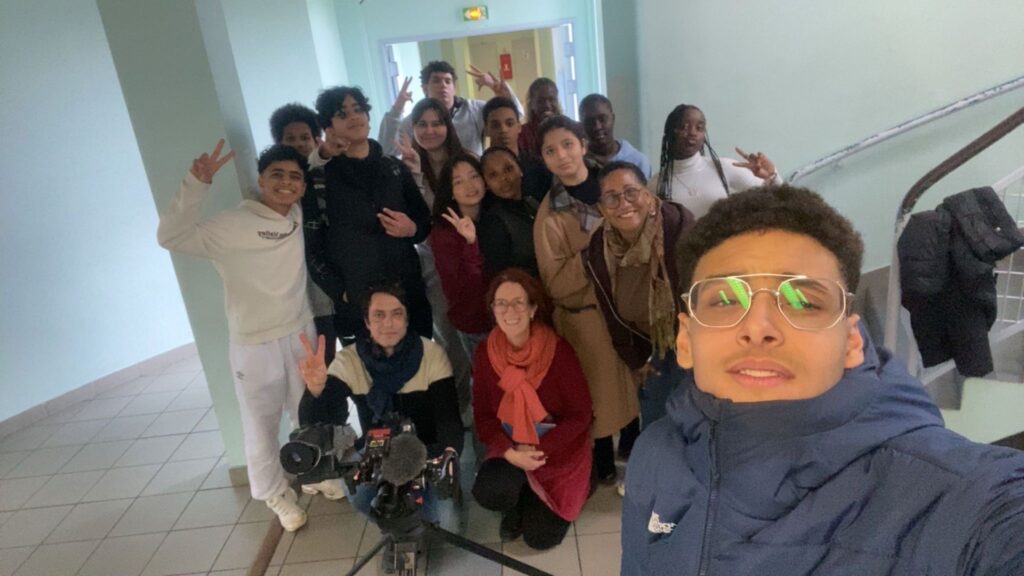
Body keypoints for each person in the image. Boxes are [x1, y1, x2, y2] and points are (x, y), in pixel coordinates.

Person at [621, 185, 1024, 575]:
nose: (758, 328)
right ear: (685, 341)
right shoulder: (655, 453)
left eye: (803, 301)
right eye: (726, 299)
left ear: (851, 342)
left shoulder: (960, 500)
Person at [157, 141, 313, 532]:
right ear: (260, 180)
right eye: (276, 174)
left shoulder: (296, 215)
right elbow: (170, 236)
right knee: (260, 424)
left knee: (307, 411)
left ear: (303, 186)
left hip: (299, 330)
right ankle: (274, 494)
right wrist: (196, 183)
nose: (286, 183)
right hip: (254, 343)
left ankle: (313, 474)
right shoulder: (231, 225)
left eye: (294, 177)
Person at [296, 285, 463, 527]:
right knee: (362, 499)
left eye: (397, 314)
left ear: (407, 319)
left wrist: (448, 460)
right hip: (377, 453)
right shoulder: (350, 360)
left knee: (442, 520)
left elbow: (449, 419)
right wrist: (316, 390)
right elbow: (319, 422)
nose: (388, 323)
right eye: (379, 315)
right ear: (367, 321)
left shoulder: (431, 354)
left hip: (428, 449)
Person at [533, 115, 639, 485]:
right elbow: (557, 284)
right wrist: (595, 254)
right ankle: (602, 460)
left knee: (633, 384)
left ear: (582, 145)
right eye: (550, 151)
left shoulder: (614, 185)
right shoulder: (551, 215)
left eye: (567, 144)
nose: (562, 155)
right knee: (599, 395)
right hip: (586, 318)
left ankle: (633, 447)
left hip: (629, 307)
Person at [584, 161, 695, 488]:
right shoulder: (599, 245)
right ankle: (656, 480)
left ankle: (693, 482)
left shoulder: (679, 227)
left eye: (631, 192)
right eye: (612, 197)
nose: (623, 203)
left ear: (647, 195)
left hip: (694, 338)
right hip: (650, 344)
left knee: (695, 412)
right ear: (601, 208)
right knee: (655, 412)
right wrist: (634, 359)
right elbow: (608, 307)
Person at [471, 269, 594, 550]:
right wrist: (510, 452)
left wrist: (539, 449)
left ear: (532, 309)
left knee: (539, 539)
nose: (509, 311)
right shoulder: (484, 354)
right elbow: (483, 417)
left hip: (556, 451)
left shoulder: (558, 351)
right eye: (501, 303)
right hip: (512, 448)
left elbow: (580, 415)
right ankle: (519, 499)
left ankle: (582, 481)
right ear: (493, 309)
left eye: (518, 302)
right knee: (489, 491)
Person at [305, 86, 433, 341]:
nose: (354, 117)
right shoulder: (320, 178)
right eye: (342, 114)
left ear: (368, 116)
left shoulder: (393, 168)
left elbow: (423, 222)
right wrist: (340, 291)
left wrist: (412, 229)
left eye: (358, 110)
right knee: (365, 366)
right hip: (357, 304)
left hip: (407, 295)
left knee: (420, 362)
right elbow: (312, 247)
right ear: (329, 127)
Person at [395, 98, 474, 422]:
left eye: (437, 123)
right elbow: (418, 219)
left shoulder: (466, 161)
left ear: (448, 125)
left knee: (477, 336)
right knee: (449, 338)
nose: (430, 131)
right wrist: (414, 173)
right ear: (413, 128)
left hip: (471, 257)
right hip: (433, 265)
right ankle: (459, 409)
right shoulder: (406, 166)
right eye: (422, 124)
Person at [270, 103, 339, 365]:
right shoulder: (281, 187)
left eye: (305, 137)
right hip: (310, 293)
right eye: (290, 139)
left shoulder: (330, 174)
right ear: (279, 143)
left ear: (316, 140)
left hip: (343, 279)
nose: (299, 143)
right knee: (322, 361)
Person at [650, 103, 782, 219]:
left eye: (699, 128)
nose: (693, 133)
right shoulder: (655, 185)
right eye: (684, 127)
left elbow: (779, 198)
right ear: (670, 132)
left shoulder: (723, 167)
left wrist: (772, 175)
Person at [380, 60, 522, 156]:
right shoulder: (416, 121)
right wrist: (396, 110)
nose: (443, 85)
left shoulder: (474, 109)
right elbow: (387, 150)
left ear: (454, 88)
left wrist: (503, 94)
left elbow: (518, 117)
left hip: (473, 180)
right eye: (436, 81)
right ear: (425, 89)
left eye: (448, 81)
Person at [429, 153, 493, 364]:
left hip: (504, 313)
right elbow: (463, 287)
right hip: (476, 321)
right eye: (458, 182)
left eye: (474, 176)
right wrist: (471, 243)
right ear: (450, 192)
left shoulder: (493, 214)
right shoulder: (444, 234)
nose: (469, 186)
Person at [478, 146, 541, 278]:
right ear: (486, 184)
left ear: (520, 169)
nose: (503, 178)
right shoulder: (493, 223)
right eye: (493, 175)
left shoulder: (532, 203)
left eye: (508, 169)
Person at [482, 96, 551, 200]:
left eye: (509, 123)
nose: (503, 130)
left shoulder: (538, 166)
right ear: (486, 130)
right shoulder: (481, 170)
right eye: (495, 125)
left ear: (519, 127)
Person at [579, 94, 652, 178]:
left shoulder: (638, 161)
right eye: (589, 122)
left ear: (613, 118)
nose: (597, 127)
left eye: (603, 119)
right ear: (581, 124)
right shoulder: (577, 163)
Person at [517, 77, 561, 159]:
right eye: (540, 101)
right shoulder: (522, 135)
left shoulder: (569, 130)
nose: (547, 105)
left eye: (551, 99)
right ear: (532, 104)